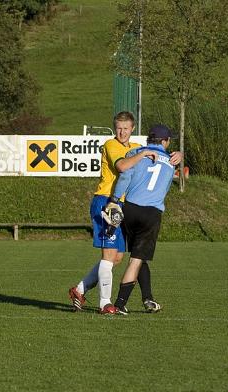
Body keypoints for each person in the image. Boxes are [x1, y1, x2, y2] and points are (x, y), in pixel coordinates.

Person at [68, 111, 182, 314]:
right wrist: (143, 154)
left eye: (126, 129)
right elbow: (122, 166)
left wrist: (178, 155)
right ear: (115, 129)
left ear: (132, 129)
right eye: (119, 128)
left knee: (117, 258)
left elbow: (156, 156)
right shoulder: (112, 145)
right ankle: (105, 304)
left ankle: (79, 290)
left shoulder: (135, 148)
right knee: (109, 254)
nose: (122, 132)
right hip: (106, 201)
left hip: (121, 207)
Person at [109, 124, 176, 314]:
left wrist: (114, 200)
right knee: (136, 260)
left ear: (148, 140)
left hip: (129, 209)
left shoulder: (136, 153)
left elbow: (124, 177)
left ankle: (148, 299)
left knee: (139, 256)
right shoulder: (172, 161)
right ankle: (120, 304)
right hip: (151, 213)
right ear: (165, 141)